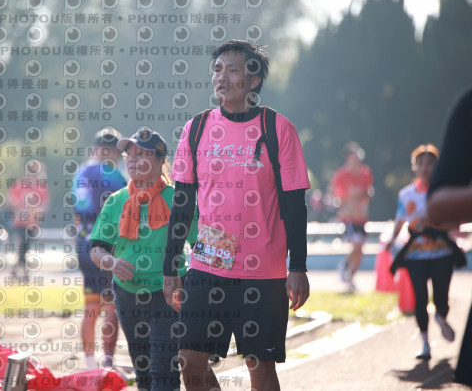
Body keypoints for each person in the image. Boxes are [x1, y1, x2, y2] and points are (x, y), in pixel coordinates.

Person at [163, 39, 310, 391]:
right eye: (217, 69)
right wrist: (170, 268)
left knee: (260, 367)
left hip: (263, 270)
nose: (222, 77)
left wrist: (298, 267)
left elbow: (295, 206)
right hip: (209, 262)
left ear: (253, 80)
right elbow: (182, 205)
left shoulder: (277, 128)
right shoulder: (196, 129)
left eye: (232, 70)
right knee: (189, 359)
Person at [90, 129, 198, 390]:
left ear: (160, 161)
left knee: (164, 372)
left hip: (167, 295)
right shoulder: (116, 200)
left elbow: (201, 246)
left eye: (141, 154)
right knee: (144, 373)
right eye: (129, 154)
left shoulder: (179, 199)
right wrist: (111, 263)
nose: (132, 160)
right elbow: (96, 248)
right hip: (127, 296)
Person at [386, 144, 464, 360]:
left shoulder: (443, 193)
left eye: (430, 164)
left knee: (441, 298)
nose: (425, 168)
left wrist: (433, 225)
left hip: (441, 253)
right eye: (421, 163)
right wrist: (391, 240)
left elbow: (455, 224)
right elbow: (400, 221)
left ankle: (441, 317)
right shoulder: (406, 195)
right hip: (415, 255)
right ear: (415, 167)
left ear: (436, 167)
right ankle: (425, 344)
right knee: (420, 298)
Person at [427, 87, 472, 386]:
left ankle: (440, 315)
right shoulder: (469, 106)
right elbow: (437, 206)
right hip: (423, 250)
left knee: (441, 293)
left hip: (445, 249)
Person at [72, 129, 127, 370]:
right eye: (118, 152)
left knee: (90, 306)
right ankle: (108, 361)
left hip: (83, 243)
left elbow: (76, 212)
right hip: (106, 245)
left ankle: (88, 362)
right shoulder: (114, 175)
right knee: (110, 306)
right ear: (110, 150)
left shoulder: (80, 173)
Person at [328, 141, 374, 288]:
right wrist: (347, 200)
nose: (357, 159)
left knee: (360, 251)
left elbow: (369, 192)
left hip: (361, 217)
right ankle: (345, 266)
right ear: (348, 158)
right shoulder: (342, 175)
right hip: (348, 217)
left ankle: (351, 277)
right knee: (357, 244)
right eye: (354, 156)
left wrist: (363, 195)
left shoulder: (365, 172)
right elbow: (335, 195)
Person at [7, 159, 50, 278]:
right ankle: (24, 272)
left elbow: (45, 204)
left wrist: (39, 211)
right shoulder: (19, 185)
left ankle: (16, 270)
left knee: (24, 247)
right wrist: (19, 206)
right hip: (19, 222)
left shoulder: (41, 187)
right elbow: (11, 200)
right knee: (23, 247)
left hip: (33, 223)